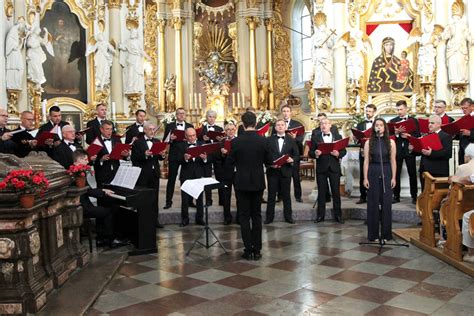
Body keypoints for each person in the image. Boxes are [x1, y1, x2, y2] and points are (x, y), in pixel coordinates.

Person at [230, 112, 269, 260]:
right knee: (257, 215)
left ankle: (248, 249)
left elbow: (230, 162)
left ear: (243, 123)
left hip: (241, 182)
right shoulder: (262, 141)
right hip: (258, 182)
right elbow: (269, 161)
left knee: (244, 216)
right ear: (256, 122)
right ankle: (257, 250)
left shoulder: (236, 142)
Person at [73, 150, 128, 249]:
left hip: (83, 204)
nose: (87, 162)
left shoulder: (76, 171)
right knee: (109, 211)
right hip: (83, 207)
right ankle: (111, 240)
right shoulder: (77, 173)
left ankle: (102, 238)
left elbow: (88, 189)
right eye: (85, 159)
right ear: (79, 160)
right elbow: (88, 191)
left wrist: (102, 190)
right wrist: (103, 192)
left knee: (105, 209)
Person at [363, 118, 397, 241]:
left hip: (386, 171)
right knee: (372, 204)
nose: (379, 127)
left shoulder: (391, 142)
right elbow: (366, 161)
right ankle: (373, 235)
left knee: (386, 204)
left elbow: (393, 161)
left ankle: (386, 234)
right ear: (374, 127)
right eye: (376, 125)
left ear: (384, 128)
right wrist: (365, 178)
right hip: (373, 171)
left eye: (381, 125)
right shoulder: (368, 142)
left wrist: (393, 177)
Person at [309, 118, 346, 223]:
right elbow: (310, 153)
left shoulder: (338, 137)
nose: (323, 125)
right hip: (321, 168)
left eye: (325, 123)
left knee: (336, 192)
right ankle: (320, 216)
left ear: (330, 125)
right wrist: (315, 153)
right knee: (321, 193)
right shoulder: (315, 138)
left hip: (334, 168)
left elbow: (344, 151)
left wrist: (338, 154)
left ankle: (338, 216)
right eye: (321, 124)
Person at [131, 122, 166, 228]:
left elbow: (159, 158)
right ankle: (142, 221)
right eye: (150, 129)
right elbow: (134, 159)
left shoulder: (157, 141)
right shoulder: (138, 143)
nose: (152, 131)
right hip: (143, 174)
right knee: (143, 197)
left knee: (155, 198)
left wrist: (162, 155)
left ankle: (155, 220)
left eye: (153, 129)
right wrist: (144, 155)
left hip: (154, 173)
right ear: (144, 130)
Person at [265, 119, 299, 224]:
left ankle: (288, 217)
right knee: (271, 195)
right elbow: (265, 155)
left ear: (285, 127)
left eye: (282, 125)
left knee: (286, 195)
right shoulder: (268, 140)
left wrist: (292, 159)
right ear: (275, 128)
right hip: (273, 171)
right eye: (278, 125)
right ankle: (269, 217)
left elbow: (297, 154)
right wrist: (270, 164)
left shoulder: (291, 140)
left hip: (286, 170)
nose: (280, 127)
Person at [272, 105, 304, 202]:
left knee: (296, 176)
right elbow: (273, 137)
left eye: (287, 111)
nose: (286, 113)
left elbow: (300, 139)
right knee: (280, 175)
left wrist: (294, 138)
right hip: (280, 153)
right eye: (284, 111)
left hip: (293, 153)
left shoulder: (297, 124)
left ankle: (298, 196)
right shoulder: (277, 124)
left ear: (291, 112)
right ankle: (280, 196)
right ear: (282, 112)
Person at [163, 108, 193, 209]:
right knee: (171, 179)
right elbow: (165, 140)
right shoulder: (170, 126)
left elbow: (193, 140)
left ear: (185, 115)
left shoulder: (190, 126)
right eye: (179, 114)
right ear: (176, 115)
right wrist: (170, 139)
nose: (181, 115)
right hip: (174, 155)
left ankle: (190, 201)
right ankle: (168, 201)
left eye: (183, 113)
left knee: (188, 179)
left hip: (186, 155)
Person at [412, 115, 453, 190]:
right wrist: (412, 149)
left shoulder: (446, 136)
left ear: (439, 124)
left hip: (438, 170)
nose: (429, 125)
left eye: (432, 123)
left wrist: (431, 153)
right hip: (424, 170)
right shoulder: (426, 136)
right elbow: (421, 152)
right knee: (425, 193)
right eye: (429, 123)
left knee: (438, 195)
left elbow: (447, 154)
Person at [390, 100, 419, 204]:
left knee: (412, 174)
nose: (399, 111)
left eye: (401, 109)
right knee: (396, 174)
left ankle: (414, 196)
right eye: (397, 109)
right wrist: (396, 133)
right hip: (397, 151)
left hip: (410, 150)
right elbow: (389, 137)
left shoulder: (414, 121)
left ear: (406, 108)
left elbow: (418, 135)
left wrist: (409, 136)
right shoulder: (393, 121)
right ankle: (396, 196)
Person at [179, 128, 207, 227]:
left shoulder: (202, 144)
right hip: (186, 175)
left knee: (199, 198)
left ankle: (200, 219)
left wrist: (205, 159)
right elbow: (177, 160)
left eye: (193, 135)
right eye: (189, 136)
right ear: (185, 136)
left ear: (196, 135)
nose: (191, 138)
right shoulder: (181, 146)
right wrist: (185, 159)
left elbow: (208, 160)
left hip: (198, 174)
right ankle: (185, 219)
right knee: (185, 199)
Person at [93, 120, 130, 187]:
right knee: (103, 196)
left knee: (117, 195)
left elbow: (123, 156)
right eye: (107, 129)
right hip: (102, 175)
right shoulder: (96, 141)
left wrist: (127, 155)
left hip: (116, 173)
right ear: (101, 129)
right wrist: (101, 159)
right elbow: (92, 160)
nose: (110, 131)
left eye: (111, 129)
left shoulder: (117, 139)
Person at [214, 123, 237, 225]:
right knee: (226, 197)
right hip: (226, 172)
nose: (230, 131)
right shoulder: (221, 142)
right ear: (225, 131)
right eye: (228, 129)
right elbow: (217, 159)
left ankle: (240, 218)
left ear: (235, 130)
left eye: (232, 129)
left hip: (238, 172)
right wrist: (222, 154)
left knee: (239, 196)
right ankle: (227, 218)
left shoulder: (239, 141)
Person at [443, 2, 472, 83]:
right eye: (453, 17)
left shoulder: (463, 25)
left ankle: (462, 78)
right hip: (452, 47)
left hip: (460, 46)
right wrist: (446, 32)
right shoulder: (450, 26)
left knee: (460, 62)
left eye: (456, 17)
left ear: (460, 17)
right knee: (452, 63)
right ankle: (453, 79)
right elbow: (446, 36)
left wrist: (471, 40)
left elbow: (467, 34)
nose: (454, 18)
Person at [200, 109, 224, 206]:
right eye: (210, 116)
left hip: (217, 155)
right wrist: (202, 138)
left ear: (215, 118)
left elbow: (223, 142)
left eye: (213, 117)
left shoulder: (219, 128)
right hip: (207, 155)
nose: (211, 118)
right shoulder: (201, 129)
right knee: (207, 178)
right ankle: (209, 200)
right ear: (206, 117)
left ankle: (222, 200)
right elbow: (197, 142)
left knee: (220, 177)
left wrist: (221, 139)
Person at [355, 104, 377, 204]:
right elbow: (358, 139)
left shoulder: (379, 124)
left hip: (376, 151)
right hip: (363, 151)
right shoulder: (360, 124)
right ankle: (363, 196)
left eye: (370, 111)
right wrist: (356, 139)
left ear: (374, 112)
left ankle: (374, 195)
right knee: (363, 174)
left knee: (374, 173)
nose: (368, 113)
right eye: (367, 111)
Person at [119, 28, 150, 94]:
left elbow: (141, 51)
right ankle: (130, 88)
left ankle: (135, 88)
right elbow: (124, 47)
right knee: (130, 73)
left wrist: (147, 56)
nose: (132, 34)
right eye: (131, 32)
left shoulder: (138, 42)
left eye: (133, 33)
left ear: (136, 34)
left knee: (136, 74)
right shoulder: (128, 41)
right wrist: (120, 45)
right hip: (131, 59)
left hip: (137, 59)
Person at [311, 12, 334, 89]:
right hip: (319, 54)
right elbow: (313, 45)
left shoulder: (327, 35)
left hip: (326, 54)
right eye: (321, 26)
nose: (323, 28)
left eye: (324, 26)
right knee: (319, 70)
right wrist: (318, 45)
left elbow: (330, 45)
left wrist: (330, 40)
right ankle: (320, 83)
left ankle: (326, 83)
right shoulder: (315, 36)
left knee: (326, 69)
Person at [6, 18, 27, 90]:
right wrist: (17, 42)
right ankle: (13, 85)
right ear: (20, 23)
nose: (24, 26)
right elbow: (10, 42)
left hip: (17, 52)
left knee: (20, 68)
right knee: (16, 68)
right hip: (13, 53)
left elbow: (19, 47)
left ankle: (17, 84)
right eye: (23, 24)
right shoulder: (13, 30)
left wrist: (22, 40)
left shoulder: (17, 32)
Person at [458, 98, 474, 164]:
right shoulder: (463, 118)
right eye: (462, 108)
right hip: (463, 151)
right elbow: (461, 134)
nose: (464, 110)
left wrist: (470, 133)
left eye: (465, 108)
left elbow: (468, 133)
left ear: (472, 106)